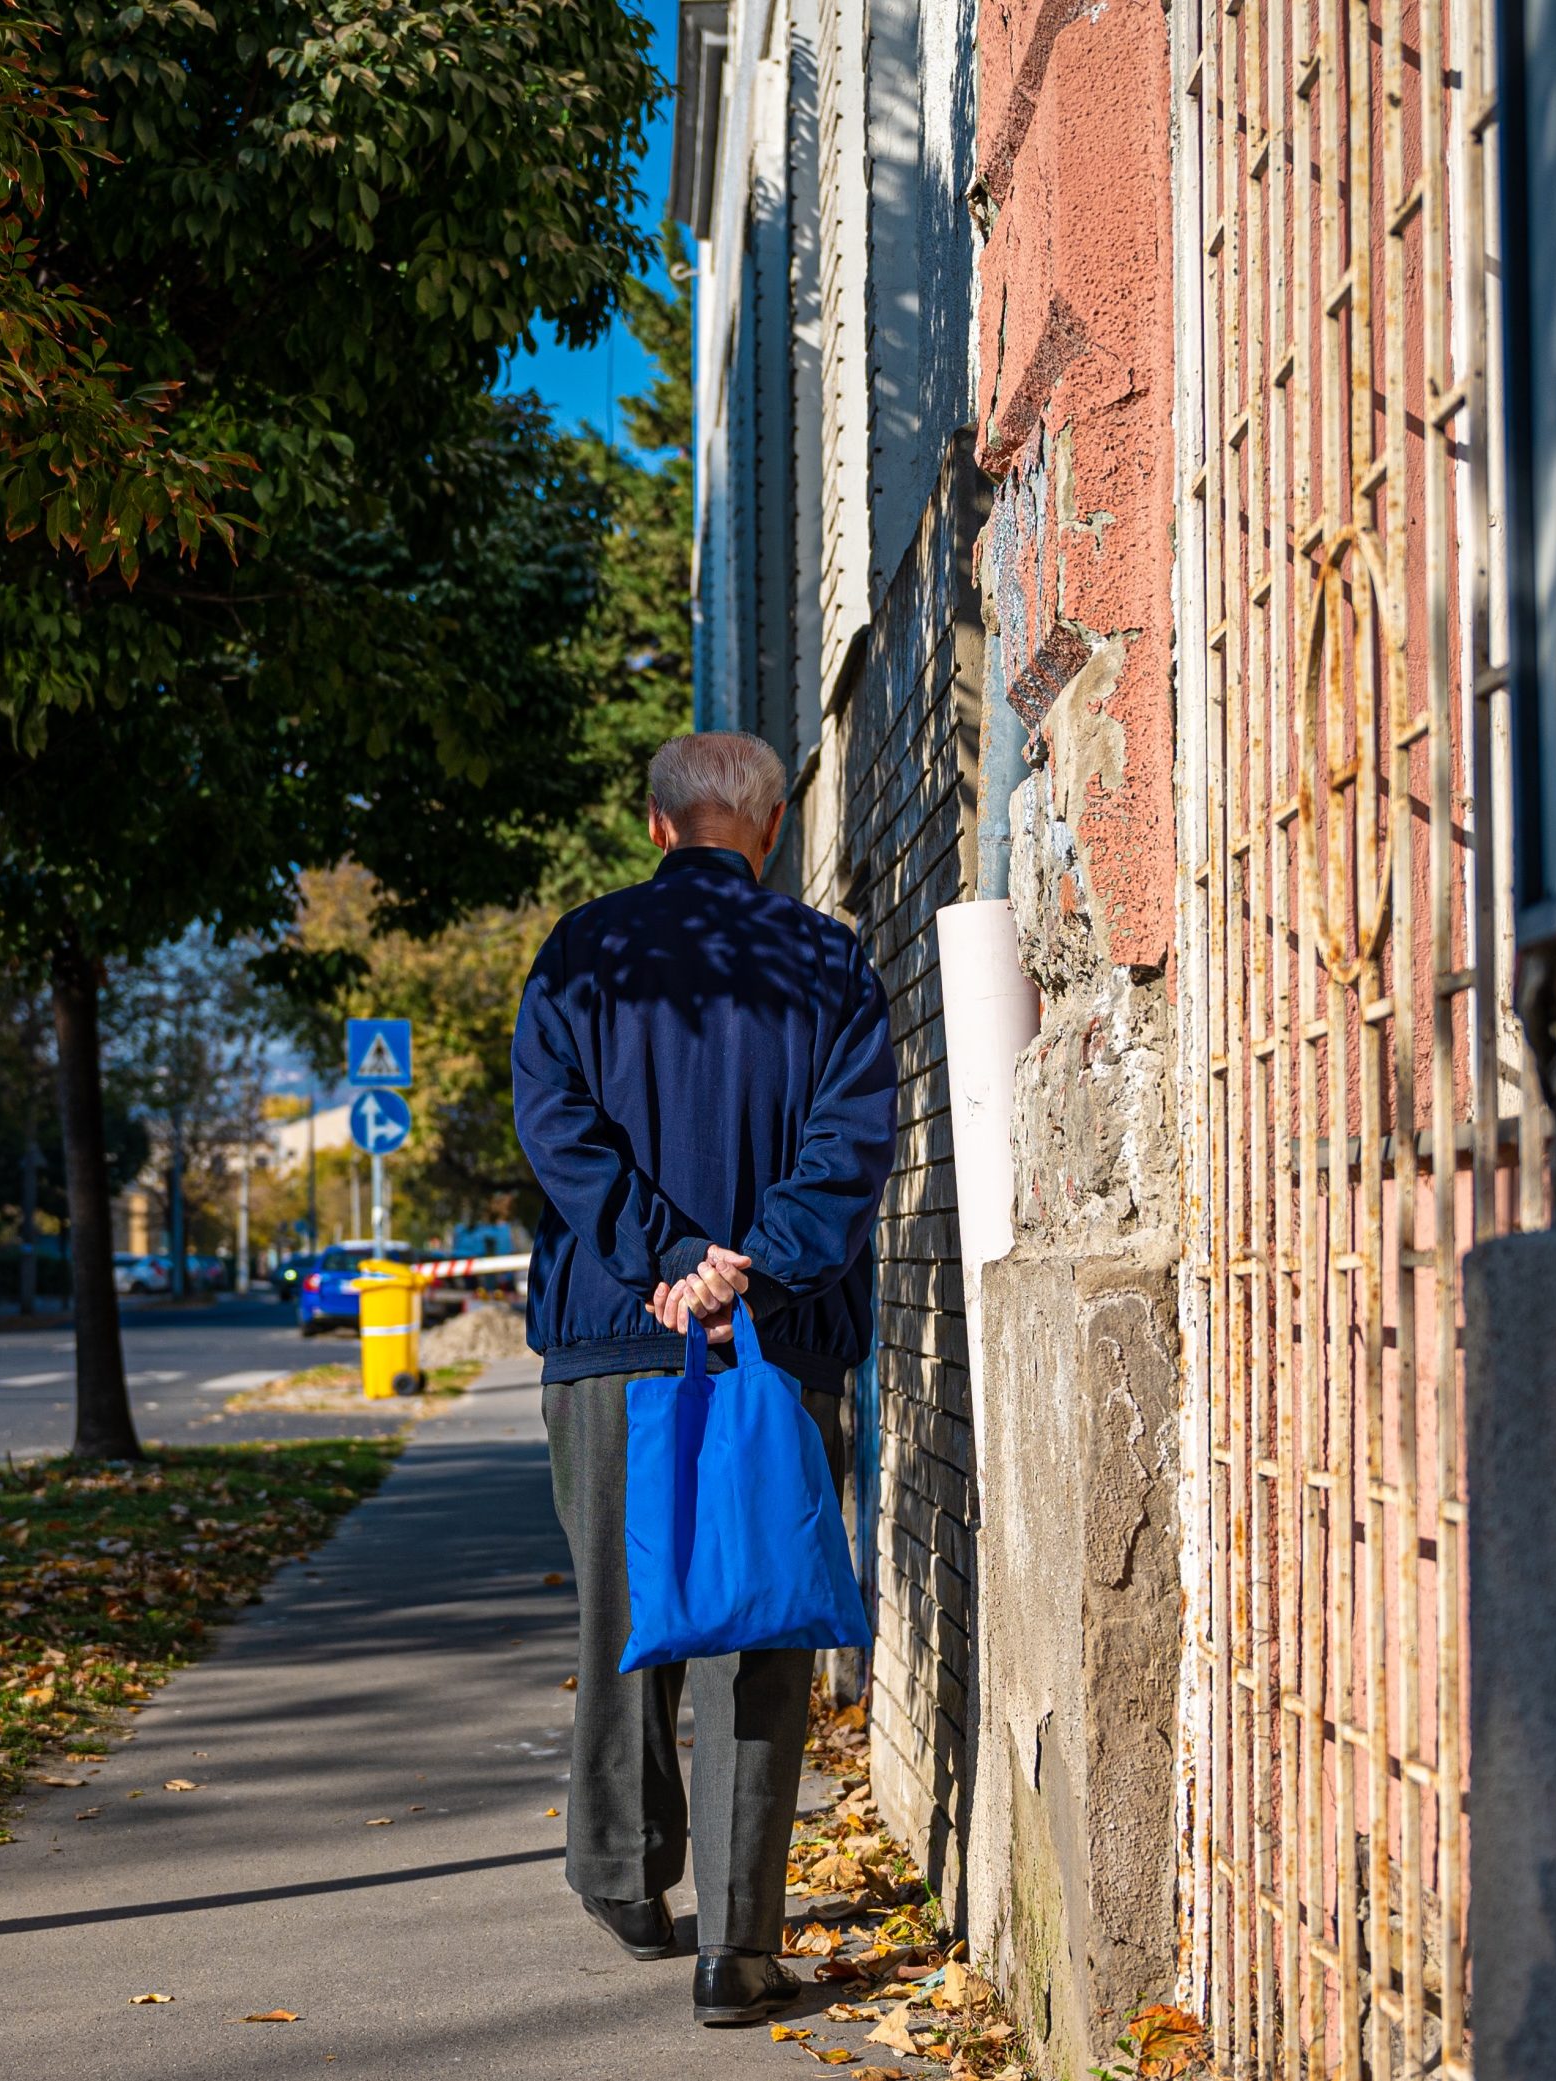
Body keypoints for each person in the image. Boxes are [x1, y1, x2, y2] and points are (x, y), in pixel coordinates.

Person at [510, 730, 897, 2029]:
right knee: (757, 1630)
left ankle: (621, 1874)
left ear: (659, 825)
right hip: (776, 1349)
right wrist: (752, 1271)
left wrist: (663, 1256)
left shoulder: (581, 953)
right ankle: (736, 1948)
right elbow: (850, 1147)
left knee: (621, 1613)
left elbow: (557, 1126)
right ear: (771, 826)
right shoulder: (830, 961)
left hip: (614, 1340)